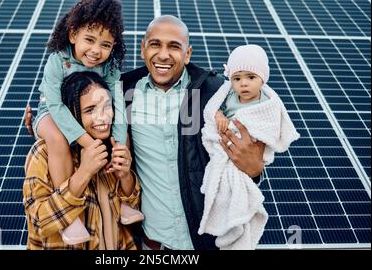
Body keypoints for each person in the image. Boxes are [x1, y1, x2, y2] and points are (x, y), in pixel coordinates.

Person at [25, 15, 265, 250]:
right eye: (155, 45)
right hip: (152, 242)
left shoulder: (214, 93)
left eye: (174, 46)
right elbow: (85, 113)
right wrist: (47, 128)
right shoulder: (125, 90)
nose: (163, 54)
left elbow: (253, 133)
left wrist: (255, 170)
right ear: (143, 49)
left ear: (188, 53)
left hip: (208, 239)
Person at [31, 0, 143, 245]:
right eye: (89, 40)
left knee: (122, 136)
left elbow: (117, 105)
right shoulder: (58, 61)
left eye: (105, 45)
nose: (96, 51)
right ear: (73, 35)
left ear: (113, 45)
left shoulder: (110, 68)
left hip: (90, 122)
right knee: (58, 140)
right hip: (50, 113)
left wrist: (117, 143)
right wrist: (86, 142)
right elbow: (56, 105)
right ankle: (70, 217)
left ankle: (124, 204)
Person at [23, 71, 141, 250]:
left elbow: (133, 214)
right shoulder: (44, 153)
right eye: (90, 110)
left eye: (107, 106)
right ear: (71, 116)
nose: (102, 116)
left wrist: (126, 177)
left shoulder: (111, 147)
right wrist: (84, 172)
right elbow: (40, 223)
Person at [198, 44, 300, 249]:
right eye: (236, 78)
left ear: (263, 78)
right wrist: (218, 117)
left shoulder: (268, 103)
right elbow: (212, 112)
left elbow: (270, 128)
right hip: (224, 147)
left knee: (241, 189)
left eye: (250, 78)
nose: (243, 84)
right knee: (223, 187)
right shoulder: (227, 95)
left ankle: (238, 226)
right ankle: (229, 224)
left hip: (247, 152)